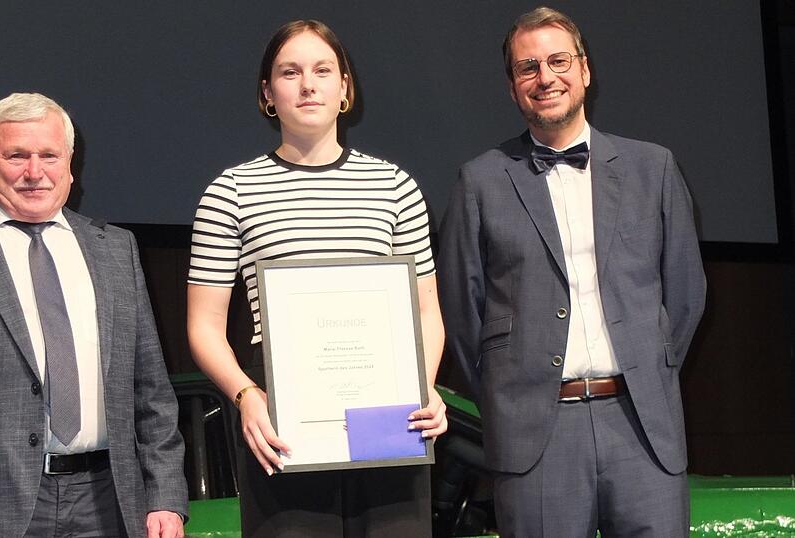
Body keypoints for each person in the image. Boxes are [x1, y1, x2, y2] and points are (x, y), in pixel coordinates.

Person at [437, 6, 706, 536]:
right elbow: (462, 315)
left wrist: (648, 369)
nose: (545, 77)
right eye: (528, 67)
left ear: (585, 70)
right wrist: (509, 396)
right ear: (513, 86)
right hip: (537, 436)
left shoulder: (653, 169)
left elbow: (686, 295)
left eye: (558, 61)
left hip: (641, 426)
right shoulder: (480, 182)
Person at [0, 92, 187, 538]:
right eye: (17, 156)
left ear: (70, 163)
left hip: (111, 501)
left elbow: (152, 391)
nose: (34, 172)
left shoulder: (116, 250)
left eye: (49, 155)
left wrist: (165, 496)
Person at [187, 20, 447, 537]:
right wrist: (246, 396)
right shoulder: (231, 191)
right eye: (290, 71)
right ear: (267, 93)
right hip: (282, 416)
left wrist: (422, 387)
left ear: (345, 88)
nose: (308, 84)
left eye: (322, 70)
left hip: (388, 411)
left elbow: (426, 313)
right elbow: (203, 326)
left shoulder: (394, 186)